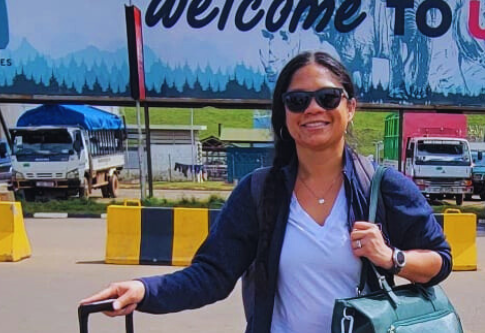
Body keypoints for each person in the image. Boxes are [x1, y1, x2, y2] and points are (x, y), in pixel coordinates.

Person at [81, 51, 452, 333]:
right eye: (297, 101)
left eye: (327, 97)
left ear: (350, 107)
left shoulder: (383, 187)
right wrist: (144, 290)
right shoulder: (259, 192)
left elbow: (439, 261)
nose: (312, 109)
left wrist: (391, 257)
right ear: (284, 112)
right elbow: (212, 274)